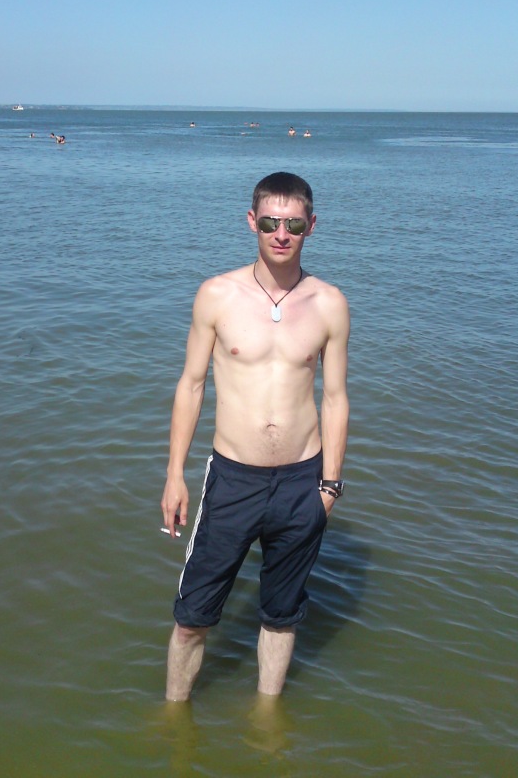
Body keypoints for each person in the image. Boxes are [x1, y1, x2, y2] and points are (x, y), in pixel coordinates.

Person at [161, 171, 350, 701]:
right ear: (252, 222)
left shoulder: (330, 303)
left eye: (294, 224)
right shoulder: (217, 295)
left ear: (312, 225)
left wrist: (330, 486)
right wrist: (175, 475)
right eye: (270, 223)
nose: (281, 234)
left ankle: (267, 721)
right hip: (233, 479)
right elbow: (191, 385)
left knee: (281, 616)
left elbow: (335, 398)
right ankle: (173, 716)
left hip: (302, 480)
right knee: (192, 618)